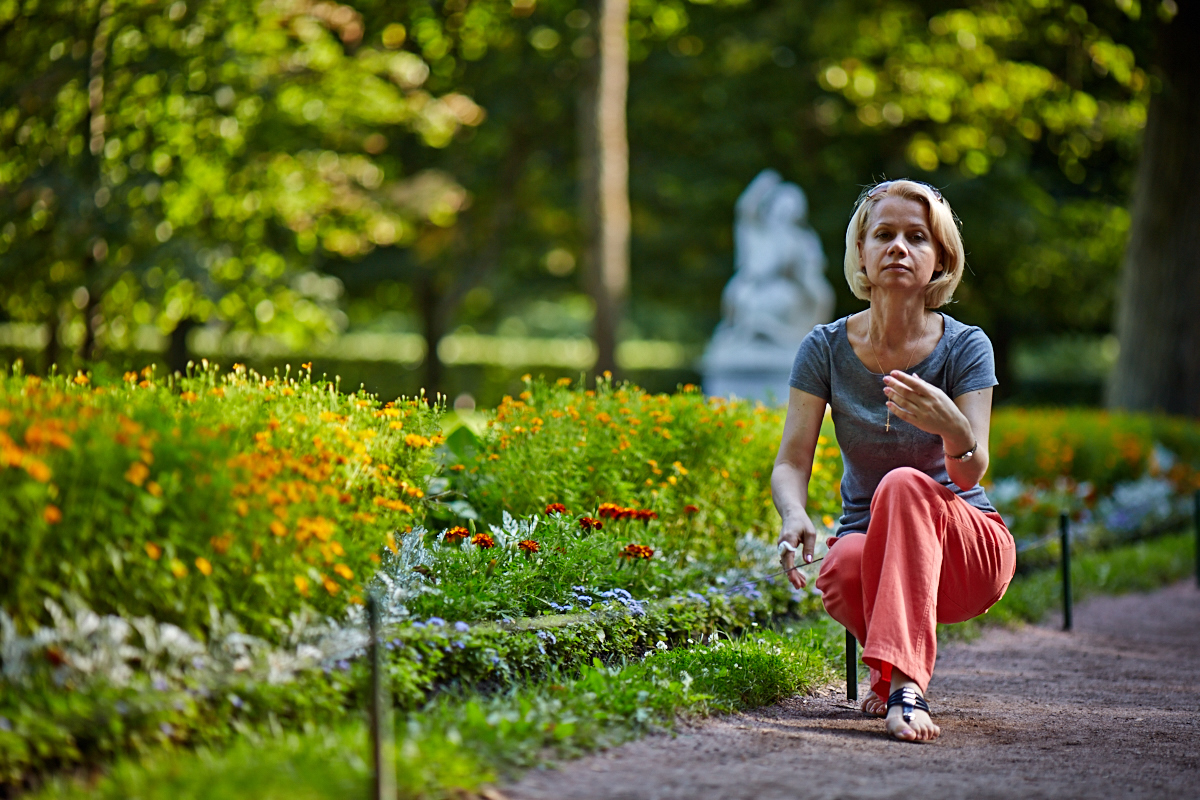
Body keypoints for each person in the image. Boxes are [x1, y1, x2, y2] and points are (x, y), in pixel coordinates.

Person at [772, 179, 1016, 743]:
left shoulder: (966, 346)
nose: (899, 248)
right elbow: (791, 462)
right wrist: (793, 513)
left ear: (940, 259)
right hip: (876, 558)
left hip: (966, 549)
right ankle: (888, 673)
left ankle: (906, 687)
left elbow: (969, 472)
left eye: (916, 237)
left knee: (904, 485)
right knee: (841, 564)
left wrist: (949, 424)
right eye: (884, 235)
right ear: (861, 252)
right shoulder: (824, 348)